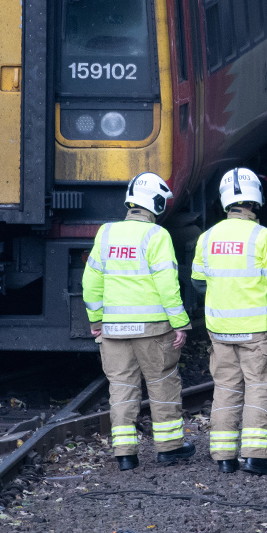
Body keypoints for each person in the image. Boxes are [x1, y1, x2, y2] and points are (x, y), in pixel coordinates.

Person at [82, 172, 195, 471]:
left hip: (114, 330)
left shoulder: (105, 233)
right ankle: (169, 449)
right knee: (161, 384)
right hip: (153, 329)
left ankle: (125, 455)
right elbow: (167, 284)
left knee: (121, 387)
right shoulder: (156, 236)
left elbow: (90, 282)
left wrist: (96, 320)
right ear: (156, 203)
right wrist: (180, 321)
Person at [191, 167, 267, 475]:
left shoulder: (207, 237)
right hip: (257, 332)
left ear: (226, 201)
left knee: (225, 388)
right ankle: (255, 457)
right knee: (259, 387)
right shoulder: (263, 237)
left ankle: (224, 458)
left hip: (221, 330)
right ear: (256, 200)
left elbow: (199, 282)